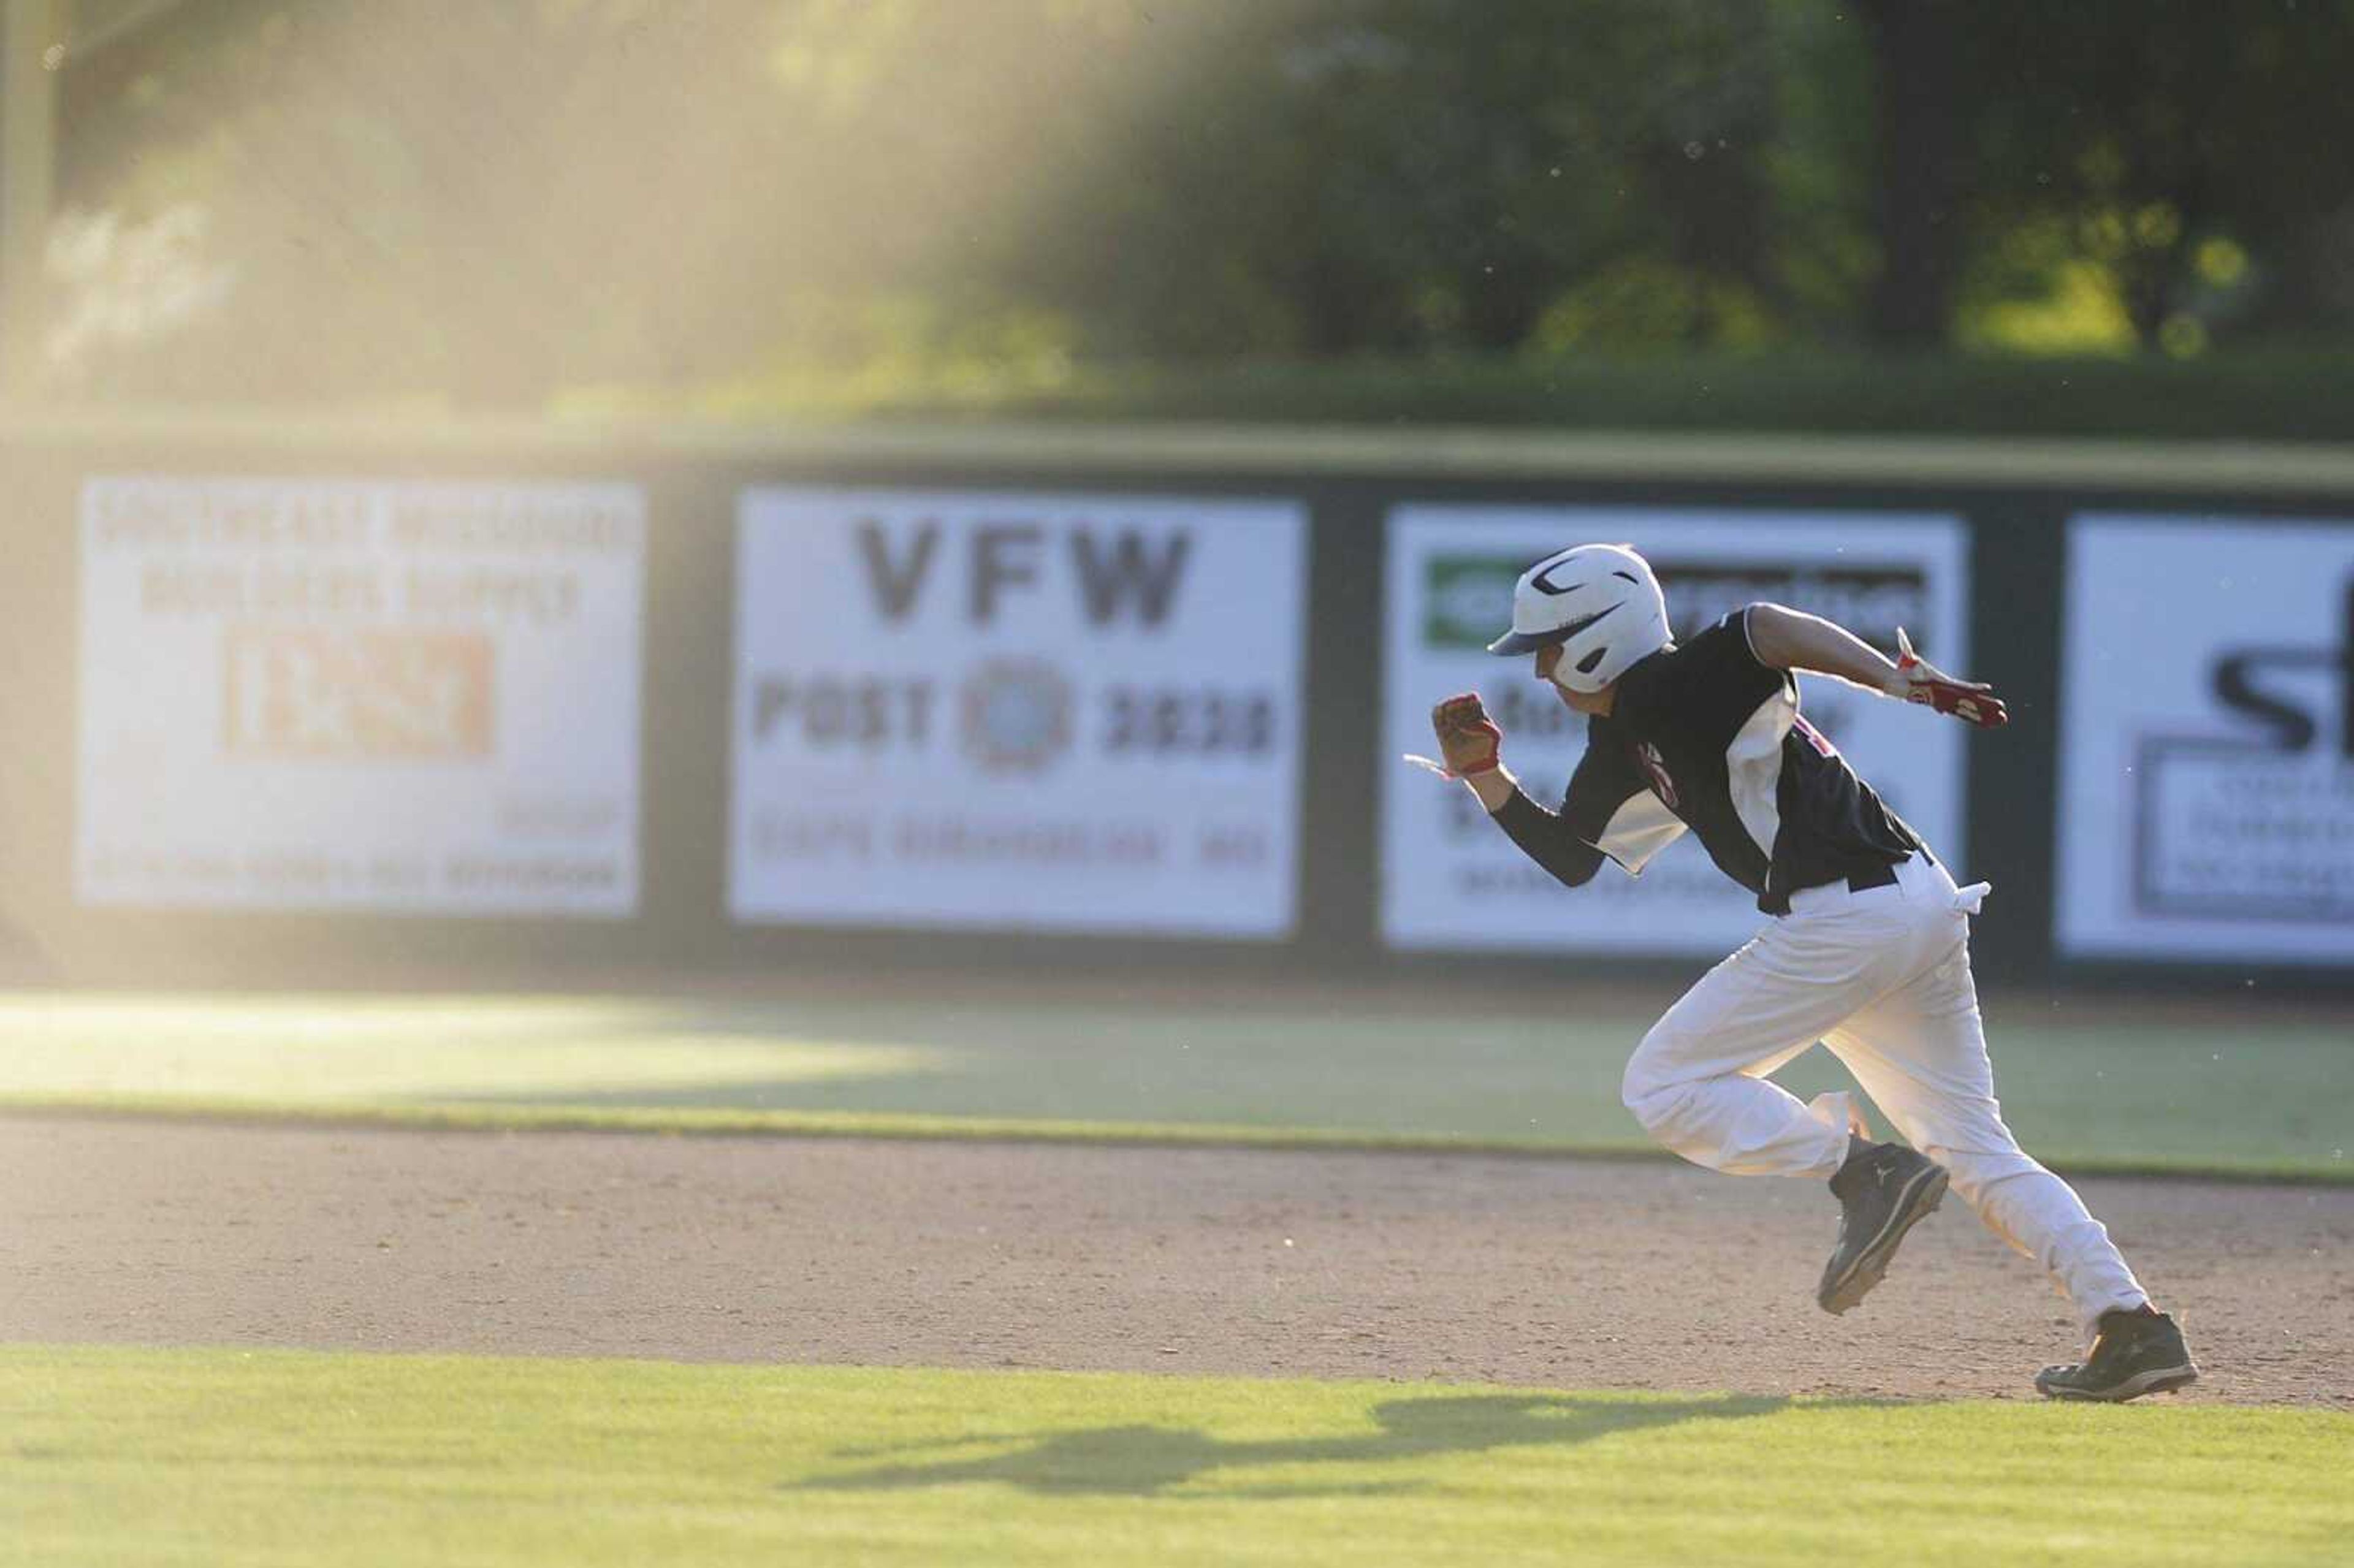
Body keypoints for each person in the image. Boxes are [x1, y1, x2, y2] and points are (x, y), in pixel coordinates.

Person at [1420, 541, 2196, 1402]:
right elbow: (1573, 857)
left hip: (1846, 917)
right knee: (1974, 1147)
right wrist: (1486, 775)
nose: (1541, 671)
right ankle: (2131, 1325)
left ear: (1601, 636)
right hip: (1910, 906)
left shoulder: (1672, 683)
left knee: (1664, 1083)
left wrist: (1892, 680)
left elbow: (1767, 626)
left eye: (1549, 648)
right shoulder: (1624, 736)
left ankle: (1867, 1170)